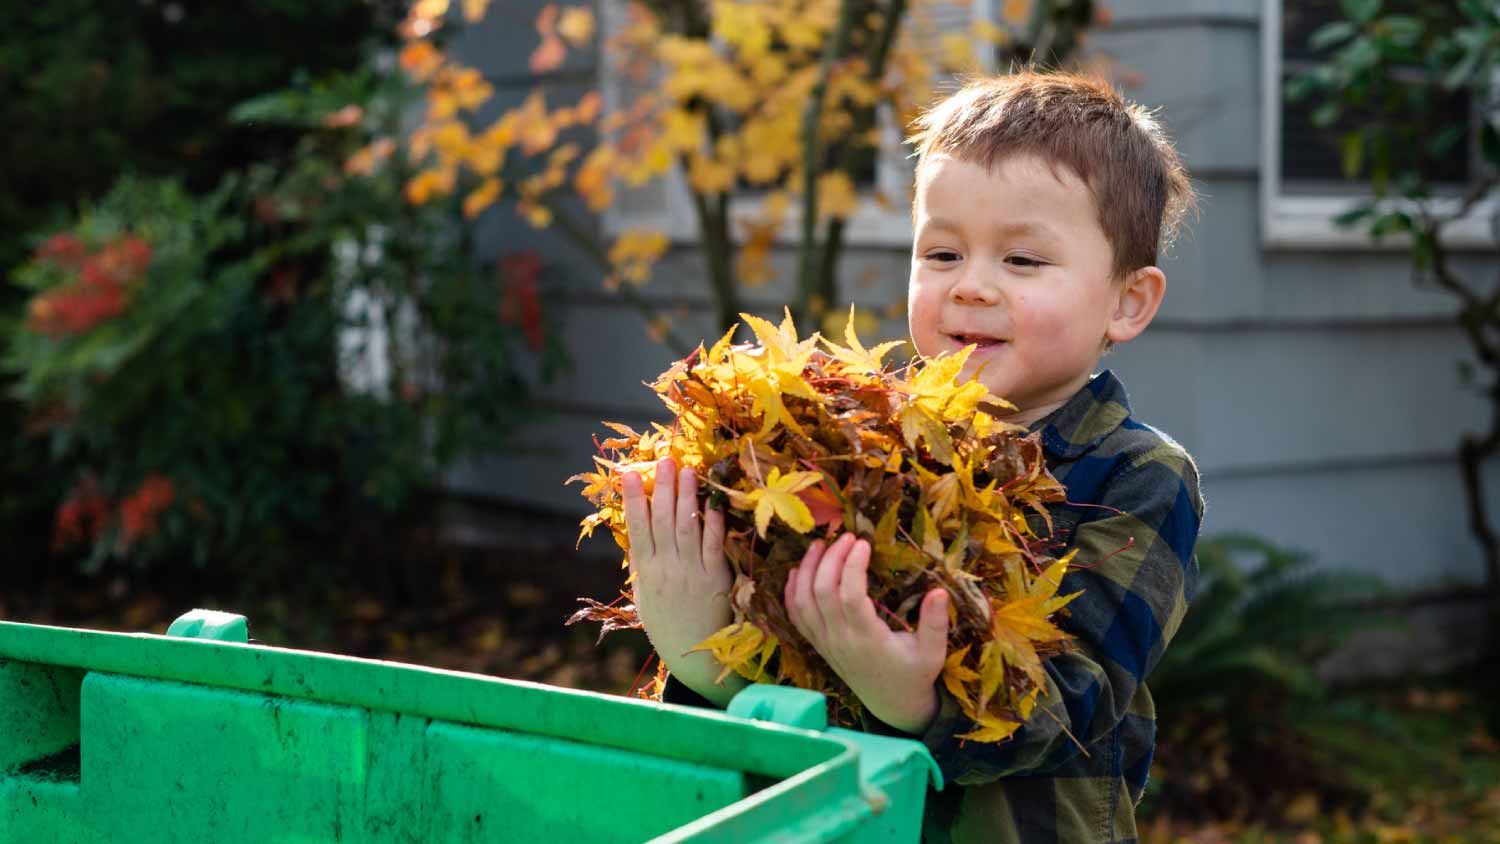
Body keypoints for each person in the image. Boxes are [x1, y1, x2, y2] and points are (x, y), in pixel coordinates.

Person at [620, 70, 1204, 844]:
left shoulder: (1136, 477)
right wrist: (701, 658)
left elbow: (1071, 710)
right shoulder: (853, 443)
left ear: (1127, 301)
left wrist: (915, 700)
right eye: (941, 253)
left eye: (1022, 261)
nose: (971, 287)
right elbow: (783, 691)